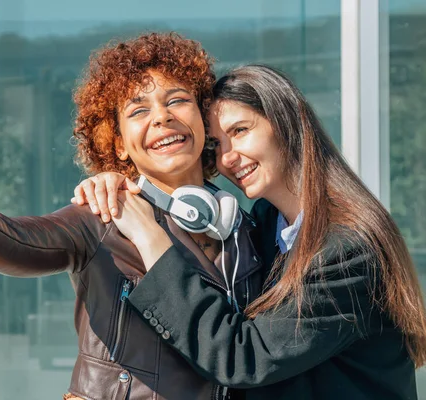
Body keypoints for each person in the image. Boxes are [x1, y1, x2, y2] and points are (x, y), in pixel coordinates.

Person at [0, 33, 263, 400]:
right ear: (118, 142)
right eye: (138, 110)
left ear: (202, 119)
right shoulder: (101, 215)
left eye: (177, 100)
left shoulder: (243, 228)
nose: (162, 118)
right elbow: (8, 243)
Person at [72, 64, 426, 399]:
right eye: (216, 145)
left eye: (239, 131)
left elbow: (244, 358)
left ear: (288, 123)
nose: (227, 158)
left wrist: (150, 239)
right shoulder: (265, 224)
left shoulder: (346, 249)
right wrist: (118, 183)